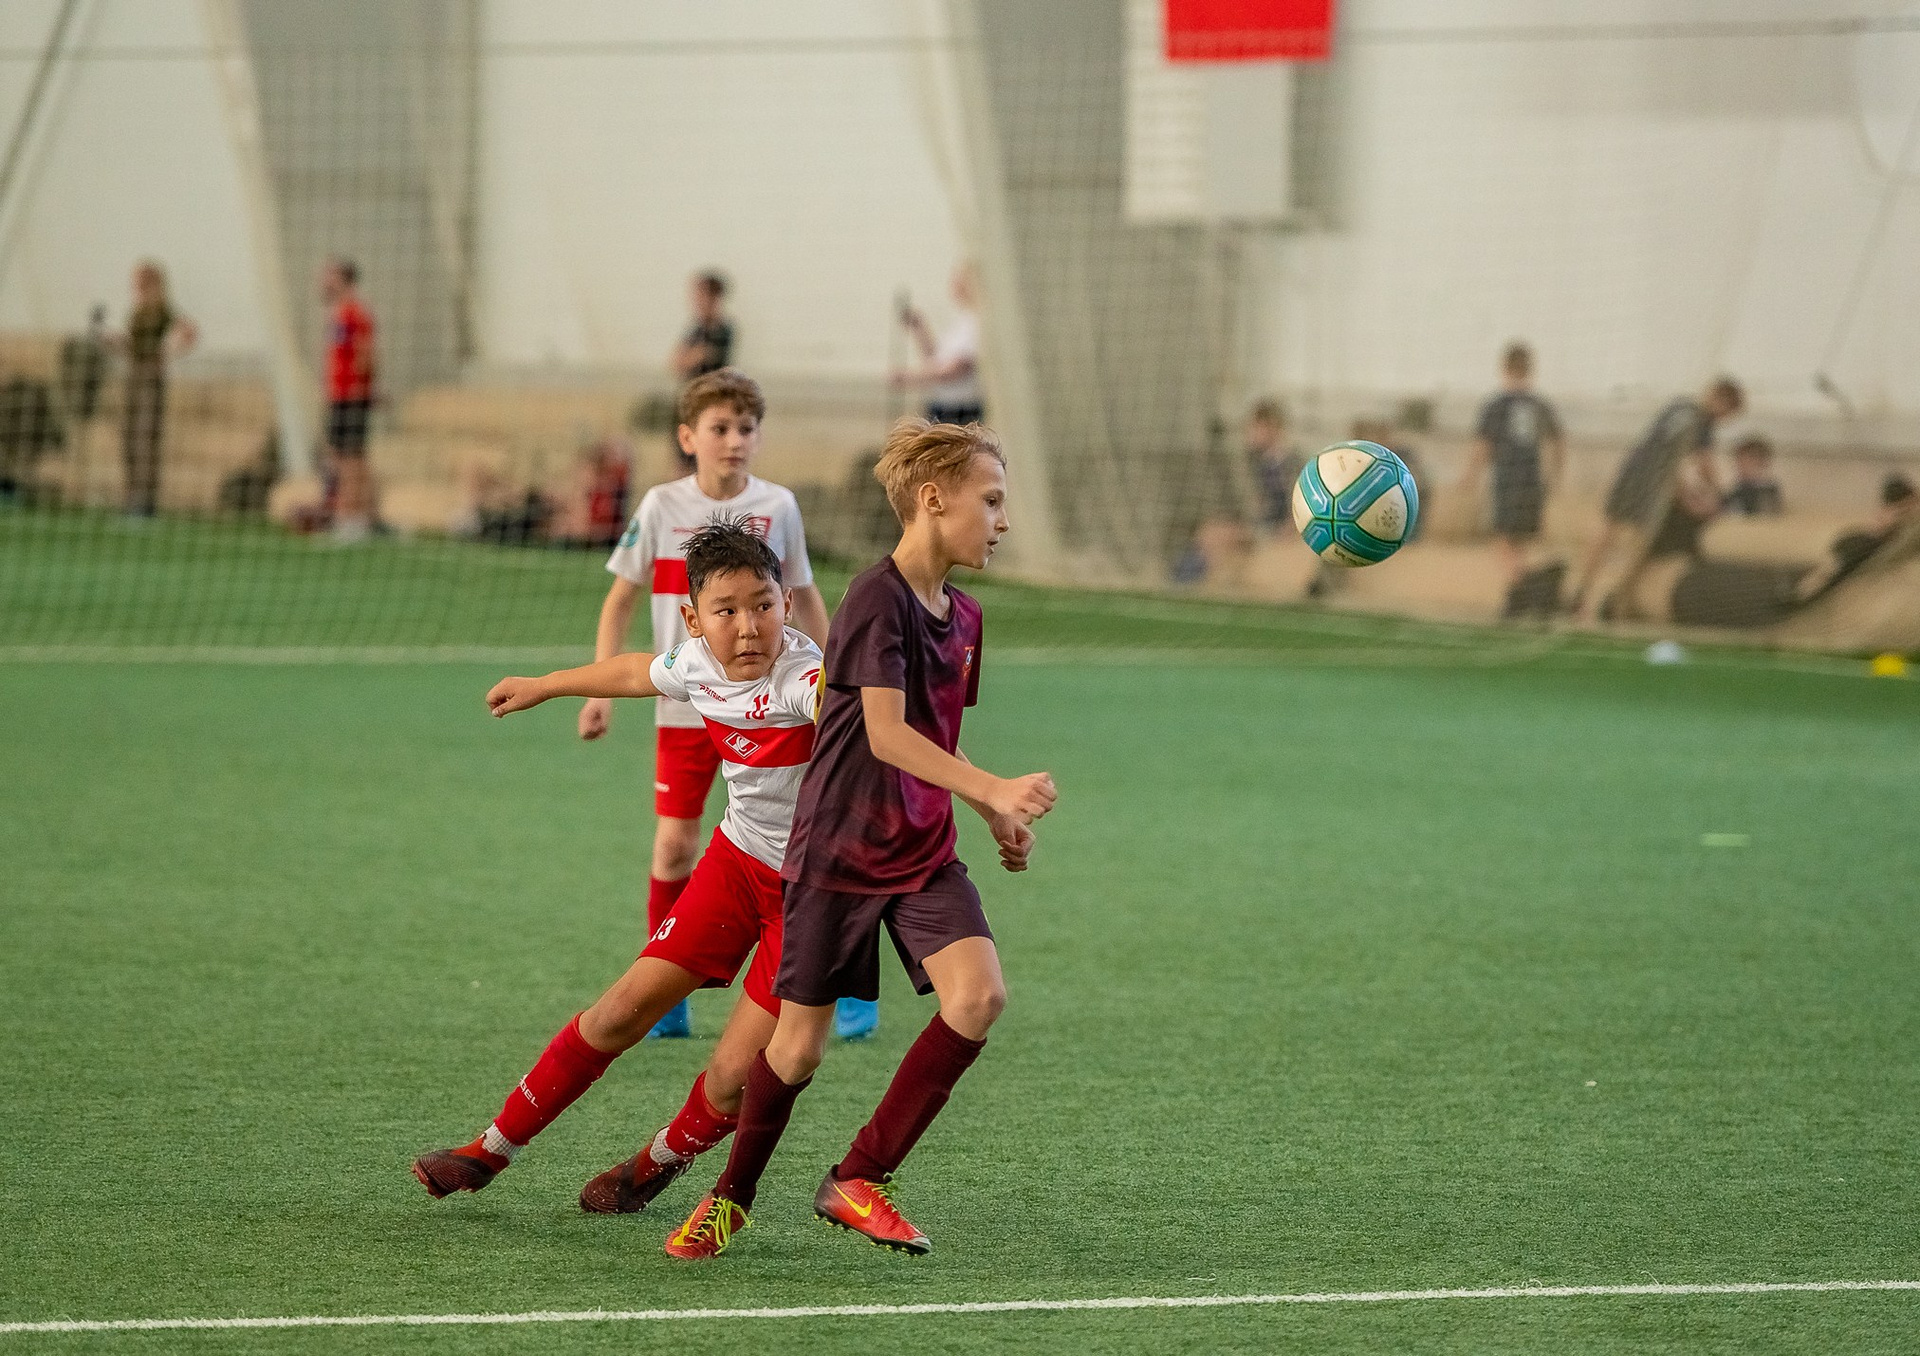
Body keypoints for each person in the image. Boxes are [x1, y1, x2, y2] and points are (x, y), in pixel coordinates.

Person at [663, 417, 1058, 1261]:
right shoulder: (875, 599)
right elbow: (884, 734)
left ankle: (859, 1177)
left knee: (979, 997)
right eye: (991, 501)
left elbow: (935, 738)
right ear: (933, 499)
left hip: (920, 850)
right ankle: (730, 1198)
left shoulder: (966, 616)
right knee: (797, 1048)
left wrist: (991, 811)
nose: (1003, 521)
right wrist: (992, 787)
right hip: (837, 855)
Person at [411, 521, 823, 1211]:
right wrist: (548, 684)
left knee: (733, 1077)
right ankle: (487, 1151)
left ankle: (655, 1163)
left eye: (764, 606)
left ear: (787, 603)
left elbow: (862, 711)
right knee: (617, 1013)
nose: (749, 627)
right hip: (737, 863)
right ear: (694, 620)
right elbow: (636, 670)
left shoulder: (802, 679)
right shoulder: (697, 662)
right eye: (726, 610)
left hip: (813, 897)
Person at [590, 369, 877, 1041]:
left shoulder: (779, 506)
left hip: (777, 709)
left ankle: (848, 991)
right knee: (674, 845)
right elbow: (621, 598)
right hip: (689, 706)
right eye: (719, 428)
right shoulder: (660, 505)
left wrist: (836, 690)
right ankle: (667, 992)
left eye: (746, 428)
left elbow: (804, 595)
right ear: (688, 437)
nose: (734, 440)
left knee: (827, 846)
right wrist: (601, 690)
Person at [1570, 376, 1743, 623]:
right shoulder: (1703, 421)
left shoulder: (1678, 406)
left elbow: (1665, 451)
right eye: (1728, 414)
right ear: (1722, 402)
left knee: (1609, 528)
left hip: (1633, 470)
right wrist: (1718, 494)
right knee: (1640, 540)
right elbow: (1701, 463)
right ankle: (1613, 599)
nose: (1724, 420)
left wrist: (1685, 490)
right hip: (1654, 484)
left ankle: (1579, 590)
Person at [1462, 343, 1564, 590]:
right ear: (1530, 369)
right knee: (1519, 539)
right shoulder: (1539, 405)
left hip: (1508, 478)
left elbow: (1484, 445)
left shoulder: (1497, 405)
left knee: (1501, 536)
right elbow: (1558, 442)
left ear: (1505, 368)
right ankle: (1523, 582)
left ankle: (1522, 585)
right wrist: (1555, 476)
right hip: (1532, 479)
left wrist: (1470, 476)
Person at [115, 261, 197, 518]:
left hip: (151, 377)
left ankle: (145, 502)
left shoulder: (162, 310)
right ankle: (130, 497)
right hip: (133, 374)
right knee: (128, 437)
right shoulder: (137, 311)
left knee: (145, 438)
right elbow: (132, 344)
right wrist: (116, 343)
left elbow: (188, 332)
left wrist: (167, 353)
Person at [319, 257, 377, 541]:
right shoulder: (338, 314)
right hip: (337, 396)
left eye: (329, 276)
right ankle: (361, 516)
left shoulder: (355, 313)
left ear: (343, 280)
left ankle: (351, 519)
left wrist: (362, 388)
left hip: (351, 397)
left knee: (351, 460)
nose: (323, 282)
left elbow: (366, 354)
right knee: (341, 457)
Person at [1795, 473, 1918, 602]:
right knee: (1840, 555)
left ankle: (1811, 591)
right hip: (1869, 542)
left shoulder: (1899, 511)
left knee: (1837, 566)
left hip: (1873, 545)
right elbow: (1881, 529)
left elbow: (1883, 530)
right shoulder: (1899, 509)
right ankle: (1811, 588)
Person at [894, 264, 982, 425]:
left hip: (959, 410)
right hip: (942, 405)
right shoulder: (961, 321)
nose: (953, 284)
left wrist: (909, 377)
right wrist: (919, 329)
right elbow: (935, 360)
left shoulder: (975, 323)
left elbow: (954, 370)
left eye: (959, 280)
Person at [1246, 399, 1304, 531]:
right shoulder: (1256, 462)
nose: (1252, 434)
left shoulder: (1292, 462)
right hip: (1264, 528)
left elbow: (1297, 508)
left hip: (1289, 531)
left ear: (1272, 428)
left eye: (1257, 428)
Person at [671, 272, 734, 383]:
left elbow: (692, 359)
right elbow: (675, 362)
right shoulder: (697, 329)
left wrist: (689, 357)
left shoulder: (722, 331)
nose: (697, 302)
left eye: (701, 296)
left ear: (714, 298)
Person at [1722, 437, 1784, 517]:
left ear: (1763, 464)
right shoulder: (1740, 487)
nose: (1740, 468)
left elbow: (1765, 515)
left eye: (1746, 463)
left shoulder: (1767, 491)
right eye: (1738, 463)